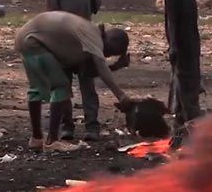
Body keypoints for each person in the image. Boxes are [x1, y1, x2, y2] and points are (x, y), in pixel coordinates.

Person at [15, 11, 133, 152]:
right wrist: (121, 96)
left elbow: (86, 72)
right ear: (111, 44)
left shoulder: (87, 33)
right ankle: (52, 141)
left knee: (36, 89)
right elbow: (101, 68)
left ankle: (36, 139)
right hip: (35, 42)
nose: (106, 55)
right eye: (110, 53)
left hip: (25, 39)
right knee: (61, 87)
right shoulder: (93, 37)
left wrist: (115, 66)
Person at [46, 0, 108, 142]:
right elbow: (53, 13)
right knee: (63, 86)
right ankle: (67, 126)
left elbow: (95, 6)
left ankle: (92, 125)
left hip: (85, 38)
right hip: (64, 40)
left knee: (87, 84)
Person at [164, 0, 203, 136]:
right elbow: (171, 17)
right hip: (182, 46)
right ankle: (193, 131)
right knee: (189, 92)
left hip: (191, 44)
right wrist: (173, 45)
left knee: (187, 89)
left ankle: (179, 132)